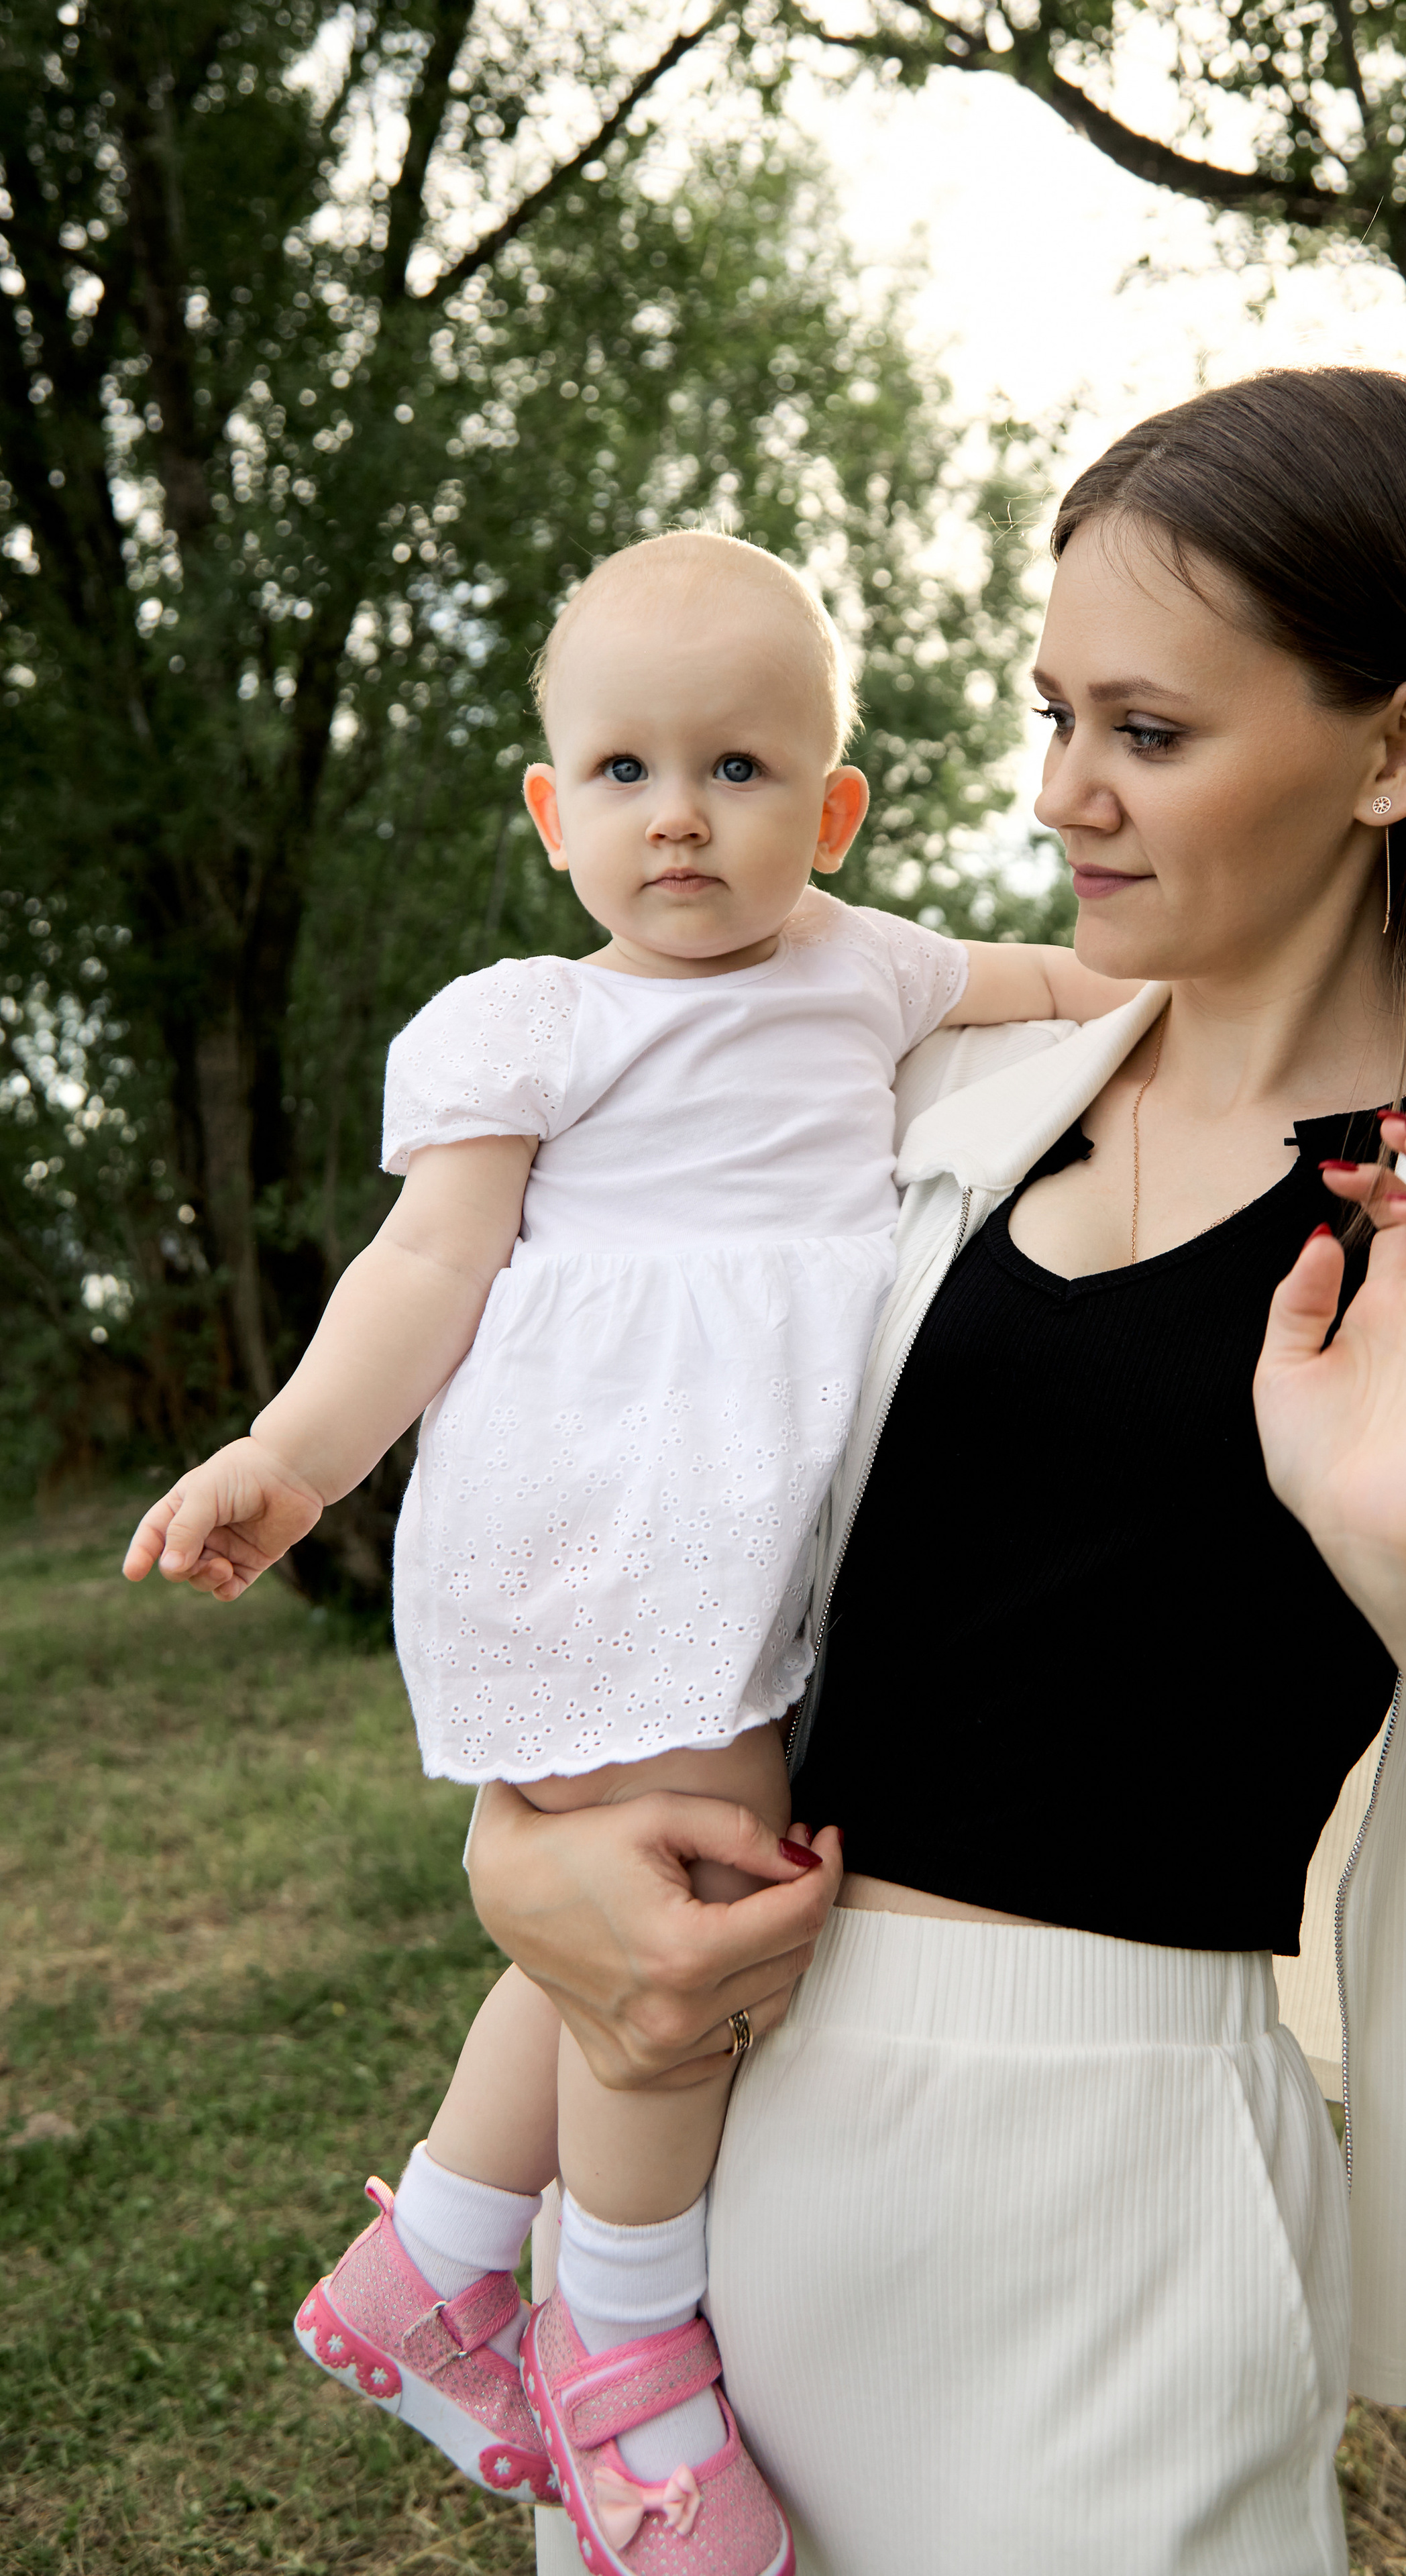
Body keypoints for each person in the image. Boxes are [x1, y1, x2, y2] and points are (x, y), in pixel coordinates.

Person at [462, 371, 1406, 2575]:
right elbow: (630, 1506)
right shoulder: (924, 1086)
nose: (1061, 795)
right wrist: (518, 1865)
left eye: (1147, 731)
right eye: (1056, 717)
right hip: (701, 2198)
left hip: (1122, 2216)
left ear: (1399, 749)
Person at [121, 531, 1138, 2575]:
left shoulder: (872, 967)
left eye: (744, 771)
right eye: (626, 773)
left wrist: (1288, 980)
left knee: (621, 1921)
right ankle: (630, 2358)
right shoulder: (526, 1026)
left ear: (834, 809)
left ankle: (436, 2262)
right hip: (601, 1515)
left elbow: (1090, 988)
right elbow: (427, 1270)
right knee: (692, 1914)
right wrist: (293, 1457)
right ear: (551, 810)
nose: (682, 814)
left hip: (751, 1524)